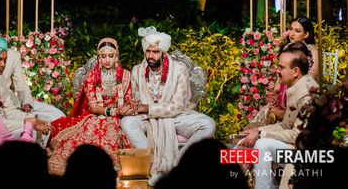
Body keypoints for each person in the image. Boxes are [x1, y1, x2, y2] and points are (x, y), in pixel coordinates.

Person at [121, 26, 216, 185]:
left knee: (208, 124)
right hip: (150, 120)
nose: (151, 56)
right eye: (148, 51)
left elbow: (176, 107)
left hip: (178, 117)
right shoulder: (138, 71)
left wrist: (147, 108)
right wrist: (131, 105)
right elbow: (137, 100)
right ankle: (151, 163)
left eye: (155, 52)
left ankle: (176, 164)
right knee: (127, 122)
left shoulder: (179, 70)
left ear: (163, 53)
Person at [48, 37, 132, 176]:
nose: (107, 60)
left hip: (119, 116)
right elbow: (93, 107)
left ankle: (113, 167)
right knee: (91, 130)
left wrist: (121, 110)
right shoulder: (91, 77)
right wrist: (112, 111)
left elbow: (128, 100)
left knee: (116, 128)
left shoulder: (126, 75)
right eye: (103, 56)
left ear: (116, 56)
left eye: (111, 56)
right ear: (99, 57)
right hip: (97, 114)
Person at [239, 42, 318, 189]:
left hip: (306, 152)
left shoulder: (306, 93)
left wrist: (261, 134)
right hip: (294, 146)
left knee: (262, 145)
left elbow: (297, 135)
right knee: (247, 143)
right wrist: (258, 131)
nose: (277, 71)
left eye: (281, 67)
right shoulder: (296, 86)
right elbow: (286, 124)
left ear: (295, 71)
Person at [0, 28, 63, 144]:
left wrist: (33, 119)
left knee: (47, 122)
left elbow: (10, 110)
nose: (3, 65)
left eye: (5, 60)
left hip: (6, 118)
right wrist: (28, 122)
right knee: (36, 132)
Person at [252, 17, 318, 126]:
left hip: (301, 89)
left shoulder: (312, 51)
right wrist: (276, 91)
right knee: (267, 109)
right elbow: (281, 72)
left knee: (274, 111)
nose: (292, 34)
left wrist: (289, 83)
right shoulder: (287, 47)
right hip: (286, 86)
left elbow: (311, 76)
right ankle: (248, 135)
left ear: (306, 34)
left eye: (297, 31)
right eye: (291, 29)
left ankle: (262, 134)